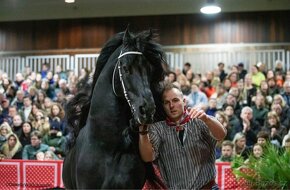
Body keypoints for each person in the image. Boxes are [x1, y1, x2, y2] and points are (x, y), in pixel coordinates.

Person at [138, 82, 226, 189]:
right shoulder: (157, 128)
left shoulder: (199, 119)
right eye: (167, 102)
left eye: (175, 100)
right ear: (163, 106)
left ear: (184, 101)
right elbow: (148, 157)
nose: (171, 106)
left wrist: (207, 119)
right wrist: (143, 132)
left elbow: (221, 135)